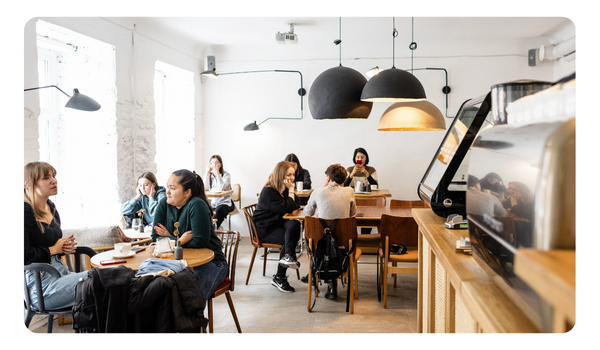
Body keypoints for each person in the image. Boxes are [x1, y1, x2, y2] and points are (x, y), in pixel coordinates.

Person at [152, 169, 228, 306]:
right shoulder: (163, 204)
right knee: (155, 289)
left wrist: (170, 239)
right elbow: (155, 239)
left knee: (190, 300)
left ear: (187, 192)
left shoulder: (196, 204)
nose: (167, 191)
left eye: (172, 188)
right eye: (167, 186)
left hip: (210, 263)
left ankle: (194, 327)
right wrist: (180, 240)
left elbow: (199, 241)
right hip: (178, 263)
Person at [24, 161, 89, 311]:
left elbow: (48, 242)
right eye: (46, 178)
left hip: (61, 273)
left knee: (112, 280)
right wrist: (53, 249)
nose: (54, 180)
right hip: (41, 286)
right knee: (100, 278)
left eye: (54, 176)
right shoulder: (24, 211)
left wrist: (64, 247)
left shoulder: (50, 206)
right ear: (30, 184)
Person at [303, 163, 356, 299]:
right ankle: (332, 284)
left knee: (314, 233)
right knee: (337, 239)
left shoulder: (317, 192)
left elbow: (307, 213)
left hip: (320, 244)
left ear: (328, 177)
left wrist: (324, 186)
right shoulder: (349, 191)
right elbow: (352, 214)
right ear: (344, 180)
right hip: (344, 245)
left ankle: (314, 270)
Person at [253, 161, 302, 293]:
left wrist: (290, 193)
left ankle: (288, 256)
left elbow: (297, 203)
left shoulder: (283, 189)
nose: (292, 177)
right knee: (289, 239)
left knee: (294, 223)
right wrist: (291, 190)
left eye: (293, 174)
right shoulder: (269, 191)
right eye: (289, 174)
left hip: (277, 222)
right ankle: (279, 277)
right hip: (265, 228)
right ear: (281, 175)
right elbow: (287, 207)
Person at [204, 155, 236, 229]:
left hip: (226, 202)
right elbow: (205, 188)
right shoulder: (210, 175)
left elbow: (222, 188)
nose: (214, 165)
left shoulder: (226, 175)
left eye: (216, 163)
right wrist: (207, 174)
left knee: (219, 210)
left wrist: (218, 173)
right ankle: (215, 229)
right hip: (214, 202)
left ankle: (214, 229)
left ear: (220, 164)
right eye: (212, 163)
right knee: (205, 209)